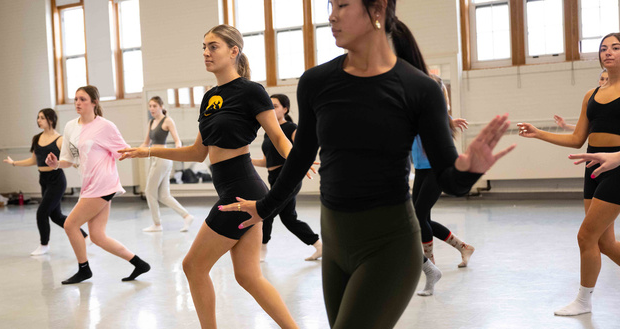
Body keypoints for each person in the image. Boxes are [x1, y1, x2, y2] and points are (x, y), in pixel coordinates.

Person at [219, 1, 515, 327]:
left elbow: (451, 182)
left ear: (378, 9)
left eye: (343, 4)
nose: (331, 15)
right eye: (330, 5)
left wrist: (471, 167)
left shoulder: (419, 88)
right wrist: (265, 207)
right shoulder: (316, 82)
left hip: (389, 244)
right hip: (335, 241)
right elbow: (301, 156)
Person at [119, 25, 299, 329]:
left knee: (193, 266)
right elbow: (197, 153)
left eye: (213, 46)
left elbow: (279, 137)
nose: (205, 52)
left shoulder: (251, 91)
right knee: (248, 276)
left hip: (241, 193)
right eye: (203, 46)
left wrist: (297, 159)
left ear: (233, 51)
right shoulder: (209, 98)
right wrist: (147, 152)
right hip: (235, 189)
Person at [517, 32, 620, 317]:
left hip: (618, 167)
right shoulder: (592, 95)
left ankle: (583, 301)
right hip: (593, 167)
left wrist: (616, 158)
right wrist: (539, 134)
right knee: (604, 242)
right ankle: (584, 301)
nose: (607, 52)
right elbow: (577, 139)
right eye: (603, 48)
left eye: (615, 47)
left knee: (585, 236)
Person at [46, 85, 150, 284]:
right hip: (88, 185)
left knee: (70, 224)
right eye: (76, 99)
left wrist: (139, 152)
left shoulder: (105, 126)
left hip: (103, 184)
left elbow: (123, 150)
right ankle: (139, 263)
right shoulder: (70, 127)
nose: (78, 102)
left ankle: (84, 269)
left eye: (83, 99)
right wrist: (55, 164)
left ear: (94, 102)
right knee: (97, 236)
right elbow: (68, 160)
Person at [410, 75, 475, 297]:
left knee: (418, 216)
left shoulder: (437, 110)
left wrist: (449, 121)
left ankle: (430, 265)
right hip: (421, 168)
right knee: (422, 217)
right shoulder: (419, 108)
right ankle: (463, 247)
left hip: (437, 169)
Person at [4, 108, 89, 256]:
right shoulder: (36, 139)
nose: (39, 120)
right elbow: (33, 160)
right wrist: (14, 163)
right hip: (43, 179)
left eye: (42, 118)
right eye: (38, 118)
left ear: (50, 119)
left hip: (57, 180)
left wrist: (81, 167)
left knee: (42, 212)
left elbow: (70, 159)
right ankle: (84, 236)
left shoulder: (60, 140)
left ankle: (44, 245)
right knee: (55, 215)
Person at [251, 93, 322, 262]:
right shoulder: (269, 132)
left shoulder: (292, 128)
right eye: (269, 106)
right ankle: (319, 246)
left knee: (266, 212)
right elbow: (267, 162)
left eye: (275, 106)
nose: (271, 109)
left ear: (285, 109)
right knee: (289, 218)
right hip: (274, 177)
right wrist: (246, 159)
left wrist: (304, 165)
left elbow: (302, 152)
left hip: (289, 177)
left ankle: (261, 249)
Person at [137, 96, 194, 233]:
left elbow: (177, 140)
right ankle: (186, 216)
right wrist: (132, 152)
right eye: (150, 106)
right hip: (154, 157)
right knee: (163, 195)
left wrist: (179, 150)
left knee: (149, 192)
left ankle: (157, 224)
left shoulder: (167, 120)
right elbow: (146, 144)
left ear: (161, 107)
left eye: (154, 106)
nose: (151, 109)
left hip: (163, 157)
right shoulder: (151, 122)